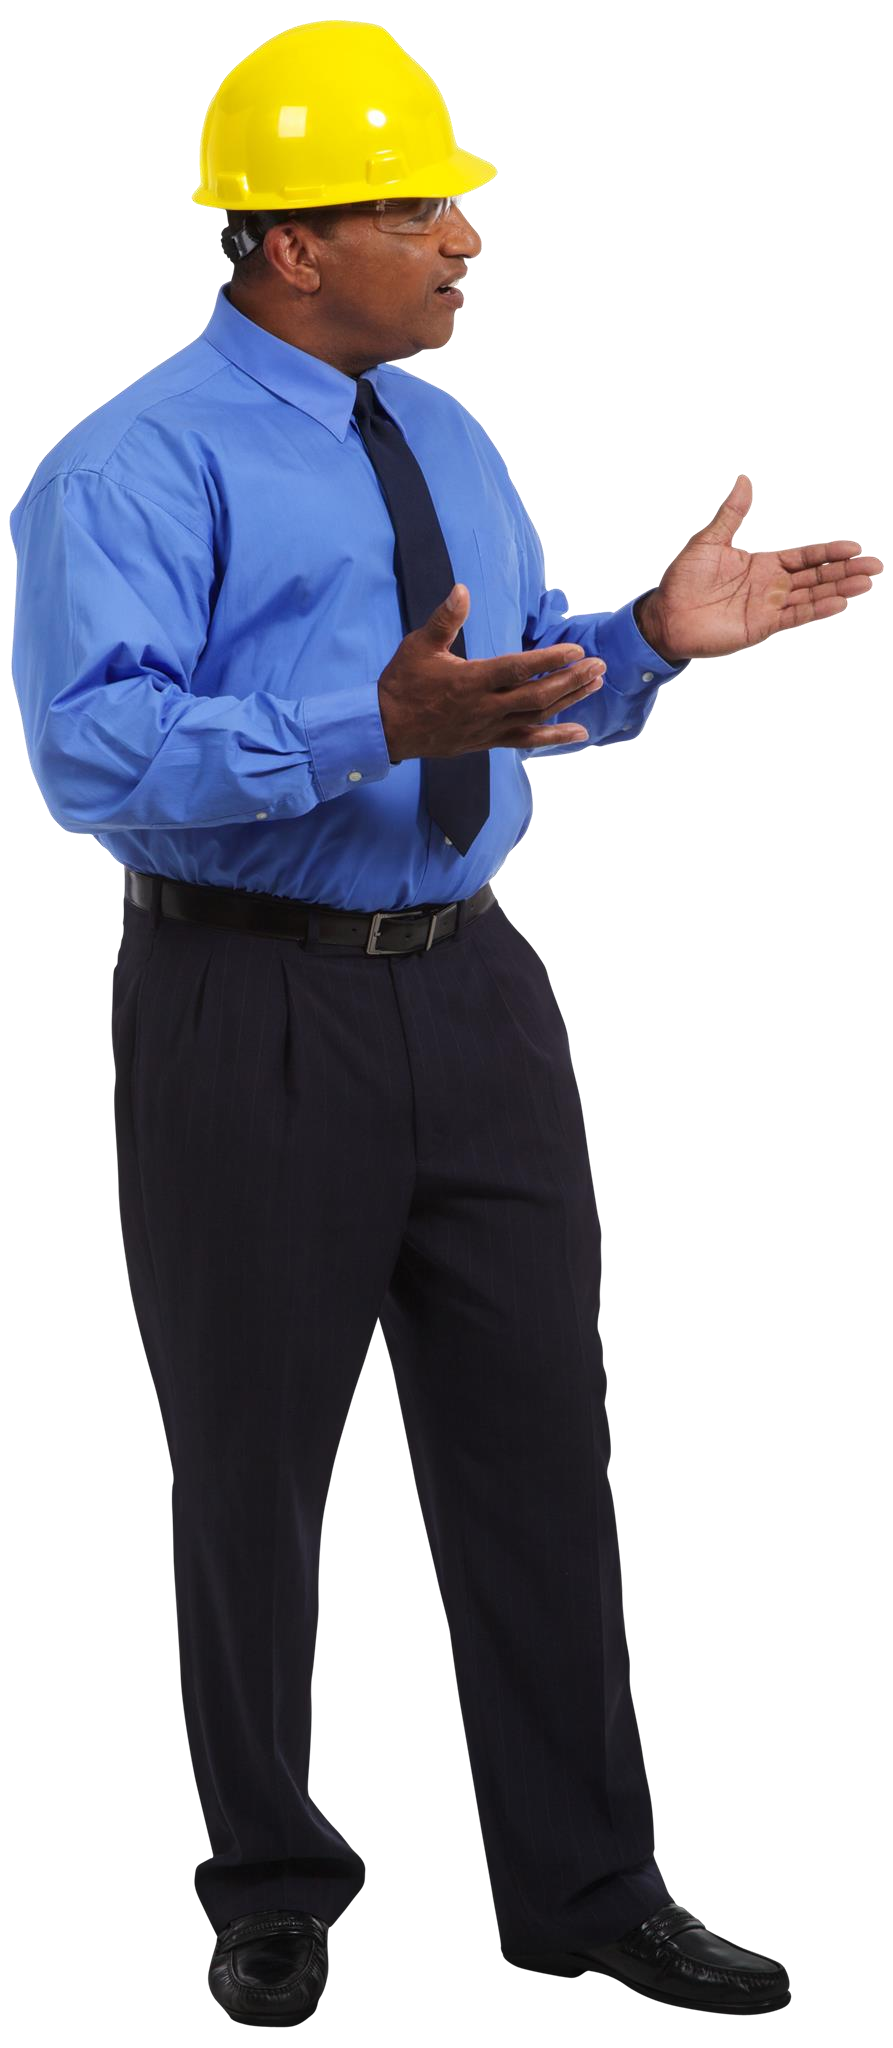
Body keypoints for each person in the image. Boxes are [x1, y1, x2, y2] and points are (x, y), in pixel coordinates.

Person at [9, 21, 816, 2027]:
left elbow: (507, 686)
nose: (465, 238)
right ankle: (273, 1882)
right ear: (291, 242)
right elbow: (92, 753)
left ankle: (587, 1884)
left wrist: (643, 644)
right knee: (255, 1463)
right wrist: (362, 721)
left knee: (541, 1440)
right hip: (242, 997)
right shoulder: (132, 463)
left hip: (479, 986)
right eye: (422, 206)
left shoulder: (445, 433)